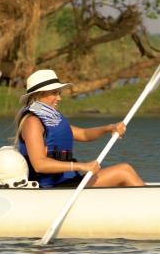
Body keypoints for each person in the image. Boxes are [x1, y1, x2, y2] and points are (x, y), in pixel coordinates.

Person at [15, 69, 144, 188]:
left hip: (69, 182)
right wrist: (82, 166)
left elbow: (83, 134)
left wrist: (109, 128)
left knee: (125, 171)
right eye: (54, 93)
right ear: (39, 95)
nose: (59, 98)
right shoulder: (32, 122)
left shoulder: (52, 119)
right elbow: (39, 165)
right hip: (51, 188)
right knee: (124, 171)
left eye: (59, 93)